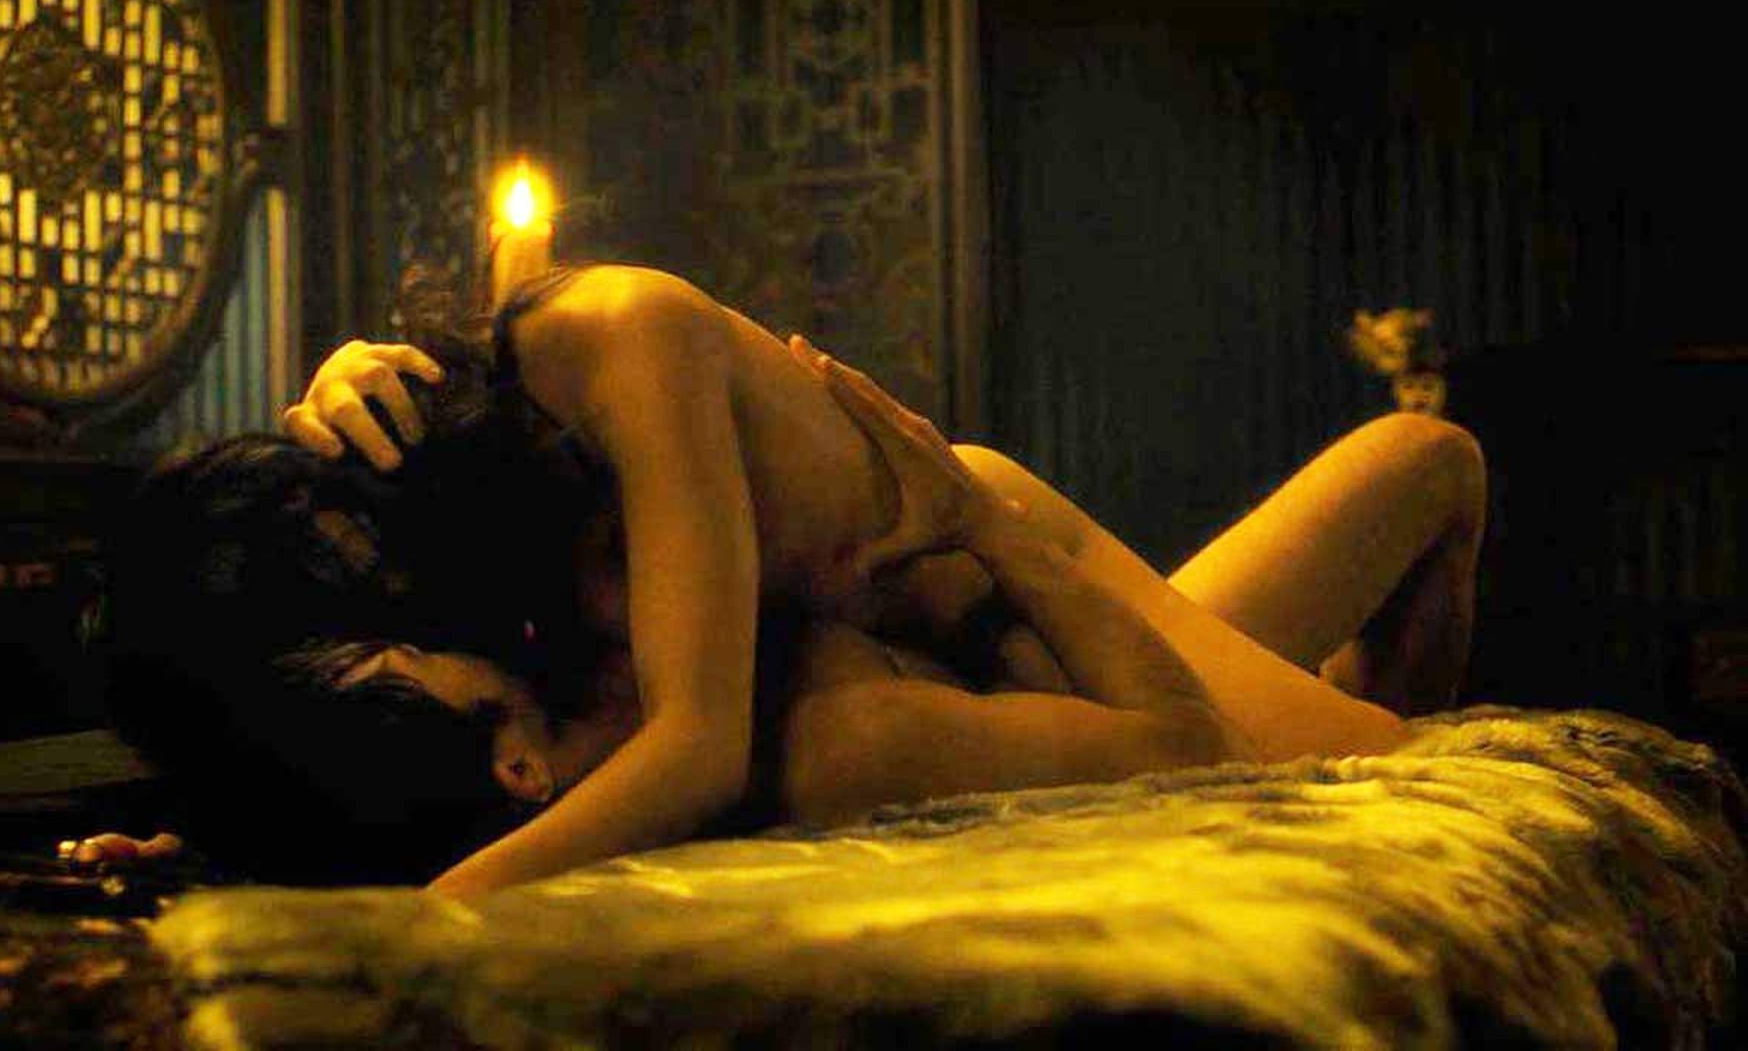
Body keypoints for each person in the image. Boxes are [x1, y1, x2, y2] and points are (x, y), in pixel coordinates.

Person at [95, 262, 1485, 898]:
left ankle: (1336, 692)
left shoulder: (624, 336)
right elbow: (401, 730)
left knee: (1399, 757)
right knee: (1421, 465)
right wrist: (246, 836)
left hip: (1012, 565)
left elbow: (693, 747)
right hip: (967, 646)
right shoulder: (485, 526)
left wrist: (431, 919)